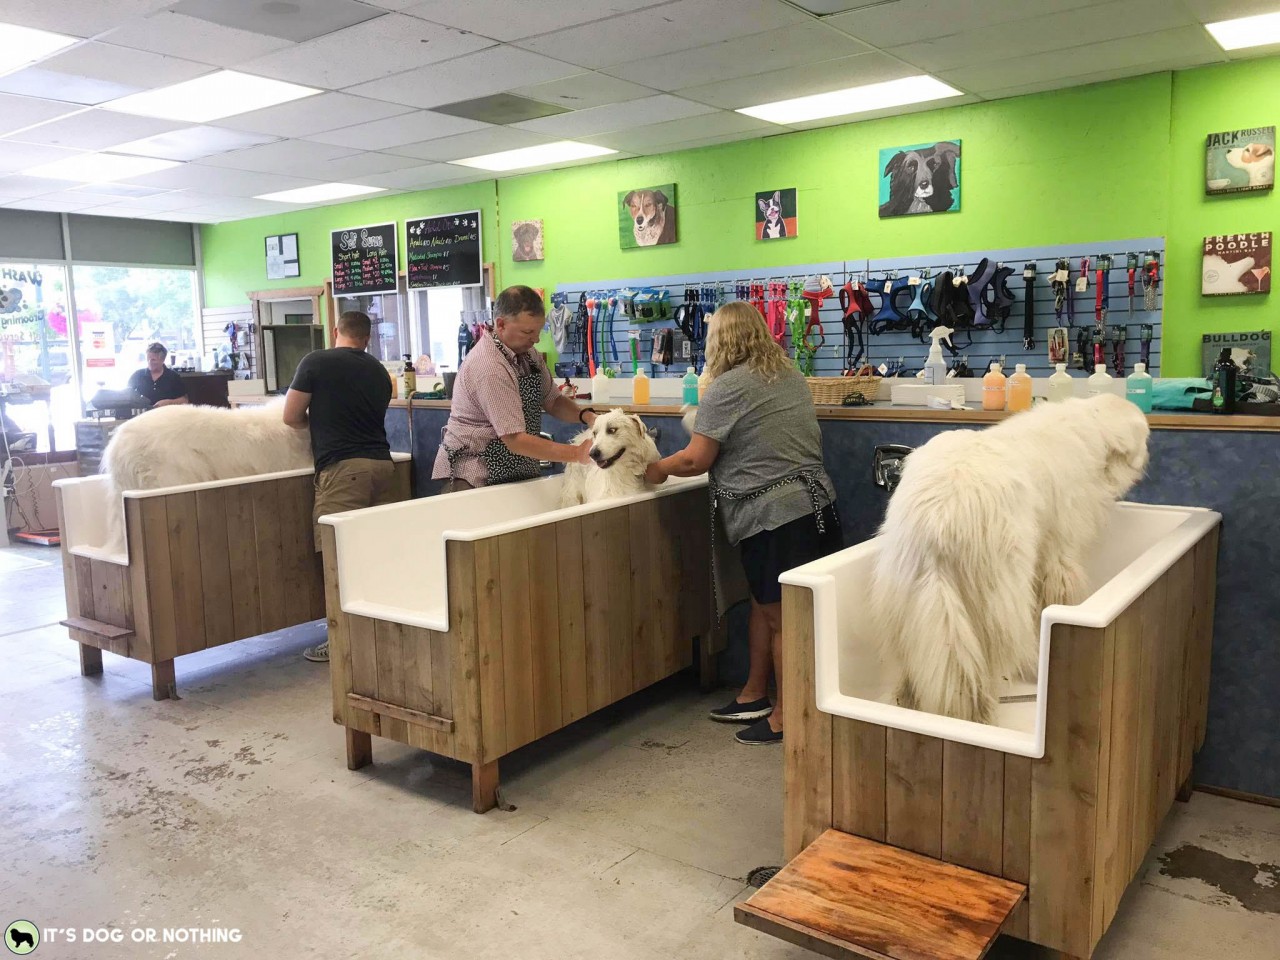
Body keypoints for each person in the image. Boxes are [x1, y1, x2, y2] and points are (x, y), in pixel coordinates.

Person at [645, 301, 843, 745]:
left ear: (720, 340)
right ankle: (754, 693)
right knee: (766, 606)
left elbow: (696, 458)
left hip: (775, 519)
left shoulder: (727, 387)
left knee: (781, 621)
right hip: (817, 509)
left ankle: (786, 718)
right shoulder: (788, 374)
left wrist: (656, 469)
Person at [283, 310, 395, 663]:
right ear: (367, 338)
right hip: (382, 467)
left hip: (343, 471)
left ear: (336, 331)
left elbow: (290, 416)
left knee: (337, 556)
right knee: (373, 555)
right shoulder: (379, 372)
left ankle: (342, 642)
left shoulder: (316, 361)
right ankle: (377, 634)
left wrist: (317, 423)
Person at [432, 285, 595, 492]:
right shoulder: (489, 367)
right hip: (473, 476)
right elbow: (515, 439)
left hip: (515, 470)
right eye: (528, 332)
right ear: (500, 325)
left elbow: (553, 400)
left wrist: (588, 417)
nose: (535, 339)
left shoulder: (529, 355)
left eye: (538, 331)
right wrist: (576, 454)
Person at [128, 342, 188, 408]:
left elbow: (184, 400)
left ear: (163, 360)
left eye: (153, 360)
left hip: (166, 414)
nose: (149, 362)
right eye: (148, 359)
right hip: (143, 415)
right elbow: (127, 396)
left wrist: (168, 402)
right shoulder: (137, 375)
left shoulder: (173, 377)